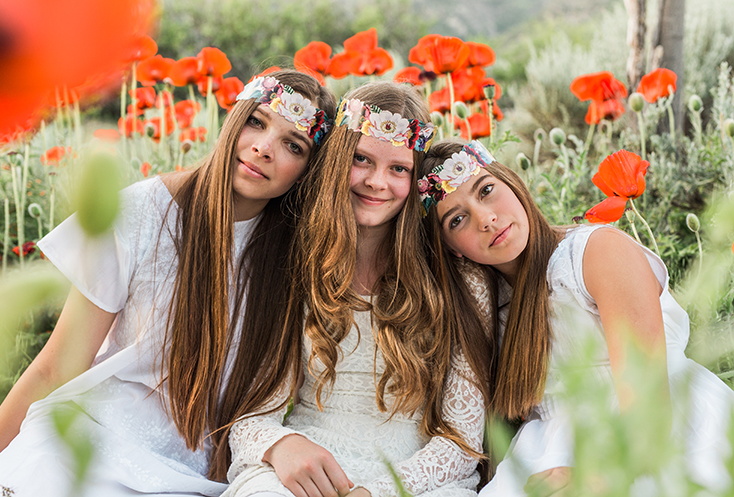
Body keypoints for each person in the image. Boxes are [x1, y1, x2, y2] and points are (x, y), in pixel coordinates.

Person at [0, 70, 336, 497]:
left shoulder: (300, 257)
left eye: (293, 145)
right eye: (256, 122)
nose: (264, 148)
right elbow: (57, 365)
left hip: (196, 469)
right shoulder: (143, 211)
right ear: (233, 120)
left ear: (307, 171)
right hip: (91, 433)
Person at [418, 140, 734, 496]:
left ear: (512, 183)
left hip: (654, 432)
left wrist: (594, 477)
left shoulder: (594, 253)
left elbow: (650, 405)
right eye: (457, 220)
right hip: (549, 449)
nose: (486, 219)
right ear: (452, 249)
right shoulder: (488, 306)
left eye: (487, 191)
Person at [220, 82, 492, 497]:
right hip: (310, 460)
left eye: (399, 169)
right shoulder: (296, 259)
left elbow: (462, 443)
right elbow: (254, 413)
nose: (377, 182)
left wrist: (375, 492)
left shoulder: (456, 275)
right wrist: (280, 445)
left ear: (416, 178)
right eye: (361, 159)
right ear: (336, 161)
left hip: (418, 477)